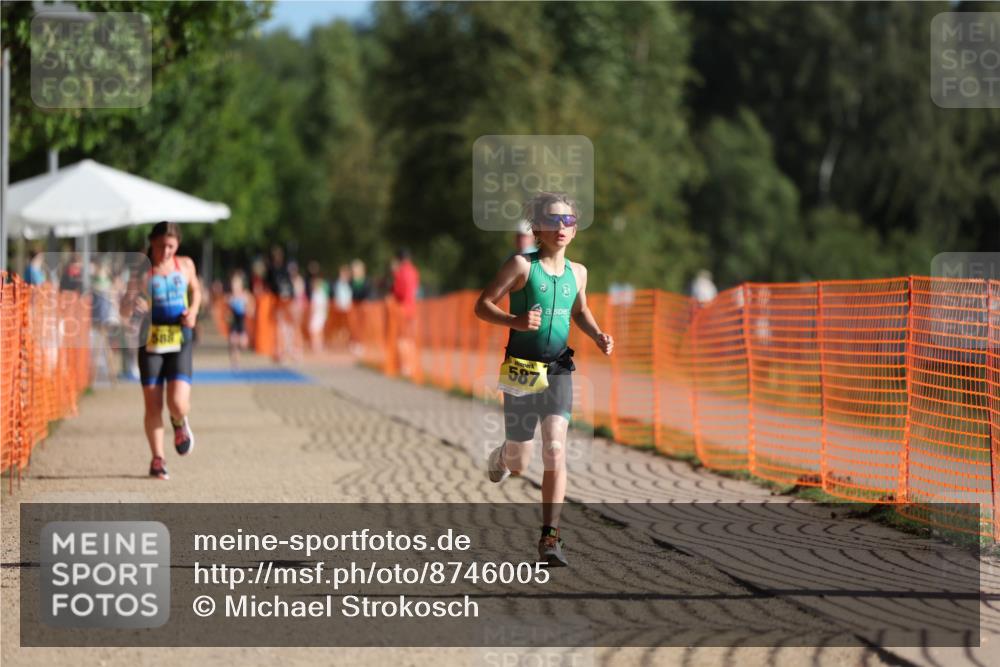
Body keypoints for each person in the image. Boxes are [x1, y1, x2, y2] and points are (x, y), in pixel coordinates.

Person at [474, 192, 614, 567]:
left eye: (568, 221)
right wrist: (514, 322)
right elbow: (482, 305)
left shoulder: (578, 272)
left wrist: (597, 334)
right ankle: (503, 455)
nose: (562, 228)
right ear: (537, 227)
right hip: (521, 366)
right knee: (521, 460)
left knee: (555, 448)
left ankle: (550, 537)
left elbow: (580, 310)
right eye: (553, 221)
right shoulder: (521, 266)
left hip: (559, 368)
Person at [121, 222, 201, 481]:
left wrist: (194, 312)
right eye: (160, 246)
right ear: (151, 243)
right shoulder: (141, 271)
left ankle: (179, 421)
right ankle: (158, 459)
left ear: (177, 245)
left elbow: (196, 290)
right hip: (150, 343)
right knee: (153, 404)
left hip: (179, 339)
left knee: (177, 403)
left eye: (171, 246)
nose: (166, 251)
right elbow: (124, 309)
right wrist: (134, 303)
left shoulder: (186, 265)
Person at [391, 248, 420, 377]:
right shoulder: (414, 271)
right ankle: (412, 365)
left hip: (402, 308)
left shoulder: (400, 272)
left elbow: (398, 292)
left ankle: (405, 366)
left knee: (401, 338)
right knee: (410, 338)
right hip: (413, 307)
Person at [227, 271, 253, 369]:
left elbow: (251, 308)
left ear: (241, 284)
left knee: (242, 343)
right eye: (233, 284)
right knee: (233, 342)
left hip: (242, 323)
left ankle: (238, 357)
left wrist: (248, 309)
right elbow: (227, 313)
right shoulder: (230, 297)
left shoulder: (245, 295)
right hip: (234, 323)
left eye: (237, 284)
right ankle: (235, 361)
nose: (235, 286)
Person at [308, 272, 329, 354]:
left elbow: (321, 305)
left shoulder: (320, 293)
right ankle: (317, 345)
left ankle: (317, 346)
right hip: (318, 314)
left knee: (316, 330)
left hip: (318, 314)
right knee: (315, 330)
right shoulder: (316, 293)